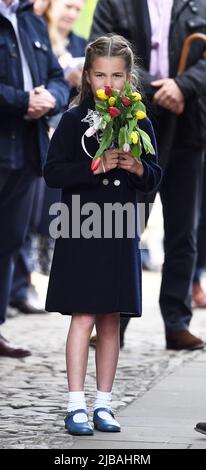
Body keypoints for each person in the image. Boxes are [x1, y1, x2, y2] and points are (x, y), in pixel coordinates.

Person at [44, 34, 162, 435]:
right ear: (87, 77)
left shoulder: (140, 119)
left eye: (116, 76)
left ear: (129, 78)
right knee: (83, 315)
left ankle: (104, 404)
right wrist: (93, 168)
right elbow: (53, 171)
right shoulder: (75, 119)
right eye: (99, 76)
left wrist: (137, 168)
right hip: (81, 225)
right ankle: (75, 403)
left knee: (111, 317)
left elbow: (154, 176)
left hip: (120, 228)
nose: (108, 84)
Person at [89, 0, 206, 350]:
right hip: (131, 128)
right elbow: (100, 50)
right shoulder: (115, 2)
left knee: (183, 232)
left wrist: (183, 85)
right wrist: (159, 89)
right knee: (126, 226)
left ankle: (176, 321)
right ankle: (114, 322)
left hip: (188, 127)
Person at [0, 0, 69, 357]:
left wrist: (51, 99)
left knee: (9, 240)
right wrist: (21, 100)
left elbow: (58, 77)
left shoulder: (31, 20)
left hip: (27, 151)